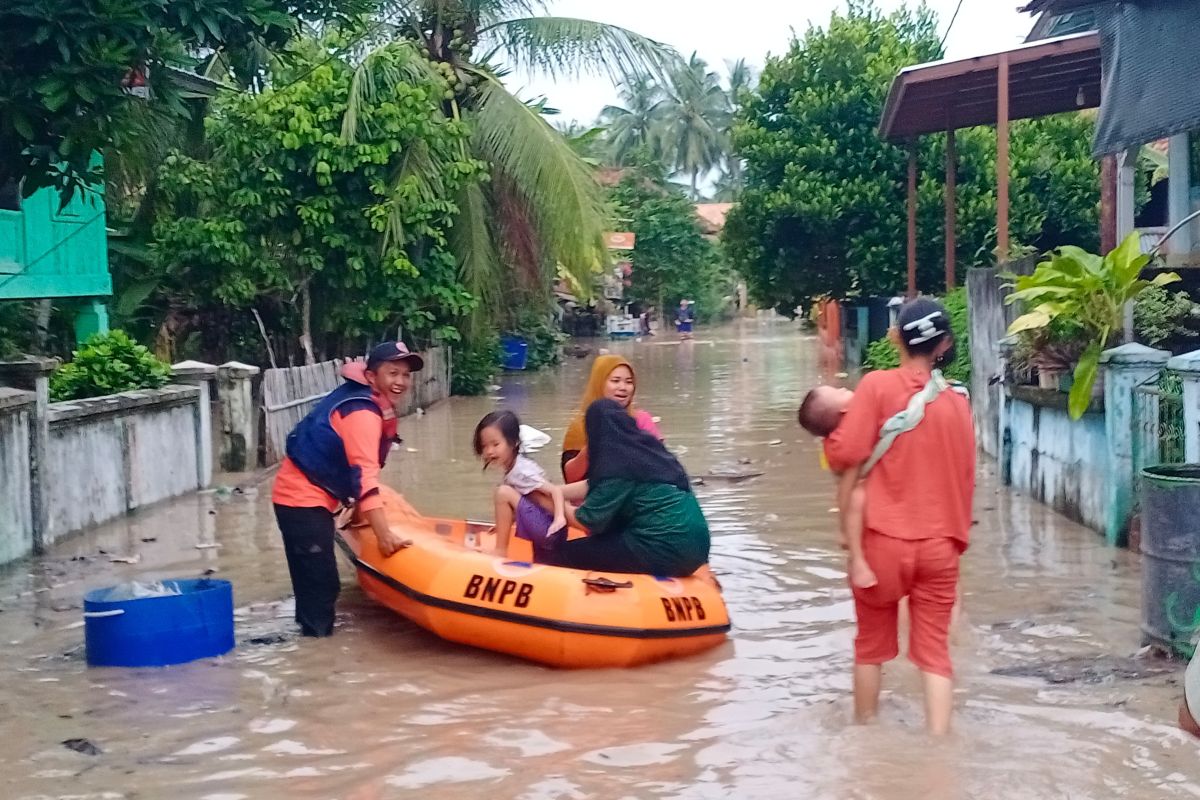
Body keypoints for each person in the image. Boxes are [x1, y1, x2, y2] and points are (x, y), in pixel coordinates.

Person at [824, 297, 975, 735]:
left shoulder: (875, 386)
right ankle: (939, 749)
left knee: (870, 648)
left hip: (881, 542)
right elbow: (966, 480)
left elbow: (846, 456)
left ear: (894, 337)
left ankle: (865, 738)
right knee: (935, 654)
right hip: (940, 547)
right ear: (944, 344)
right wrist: (954, 544)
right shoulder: (959, 404)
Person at [271, 341, 421, 637]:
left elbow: (357, 475)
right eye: (393, 373)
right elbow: (365, 476)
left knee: (313, 583)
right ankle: (316, 657)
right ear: (371, 377)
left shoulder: (363, 402)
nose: (400, 381)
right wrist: (384, 535)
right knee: (322, 584)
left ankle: (307, 639)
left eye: (406, 375)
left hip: (303, 498)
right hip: (300, 500)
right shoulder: (363, 413)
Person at [548, 399, 709, 577]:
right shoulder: (647, 452)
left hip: (663, 547)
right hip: (698, 548)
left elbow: (586, 519)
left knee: (561, 555)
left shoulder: (617, 466)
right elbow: (595, 485)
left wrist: (543, 501)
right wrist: (549, 490)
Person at [797, 385, 876, 589]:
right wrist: (842, 528)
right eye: (839, 393)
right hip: (854, 492)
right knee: (855, 498)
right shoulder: (846, 438)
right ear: (843, 411)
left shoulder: (844, 428)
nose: (844, 388)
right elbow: (845, 486)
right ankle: (857, 558)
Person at [473, 410, 570, 562]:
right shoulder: (513, 468)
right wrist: (503, 524)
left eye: (495, 444)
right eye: (485, 446)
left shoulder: (522, 471)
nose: (489, 451)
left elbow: (555, 490)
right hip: (546, 529)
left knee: (502, 493)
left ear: (514, 443)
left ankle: (500, 551)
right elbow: (524, 501)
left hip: (549, 530)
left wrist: (559, 518)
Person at [561, 354, 661, 479]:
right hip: (591, 495)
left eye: (629, 382)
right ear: (599, 384)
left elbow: (660, 467)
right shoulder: (580, 426)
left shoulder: (642, 420)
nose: (623, 387)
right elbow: (570, 478)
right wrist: (596, 442)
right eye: (615, 381)